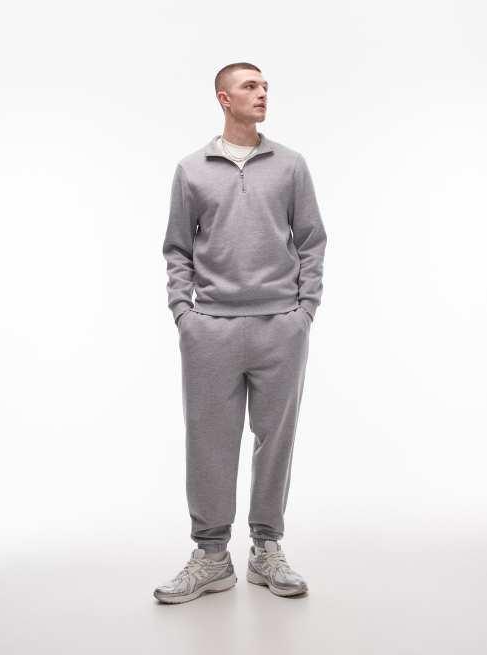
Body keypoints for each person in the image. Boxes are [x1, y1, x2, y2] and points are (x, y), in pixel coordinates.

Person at [154, 62, 327, 604]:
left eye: (265, 86)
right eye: (250, 86)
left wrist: (304, 311)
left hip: (281, 326)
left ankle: (266, 548)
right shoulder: (191, 170)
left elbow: (312, 240)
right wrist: (184, 314)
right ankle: (210, 557)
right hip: (210, 330)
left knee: (276, 441)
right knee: (209, 442)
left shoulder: (291, 165)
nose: (262, 94)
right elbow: (177, 248)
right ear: (223, 98)